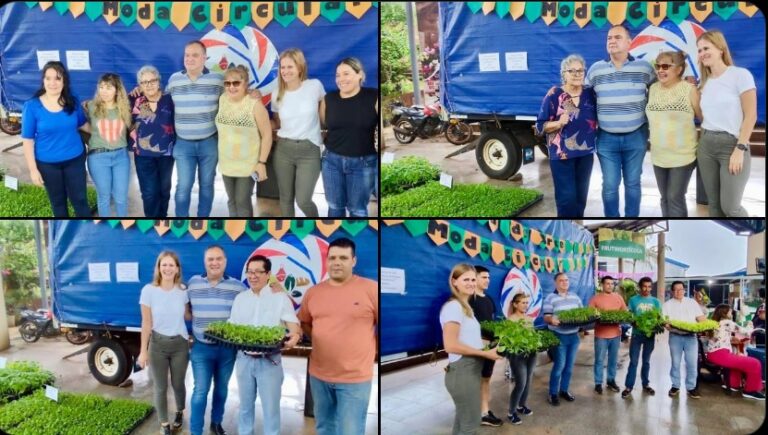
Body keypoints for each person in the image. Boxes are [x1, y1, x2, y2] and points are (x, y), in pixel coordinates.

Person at [297, 238, 378, 435]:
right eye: (332, 257)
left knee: (350, 430)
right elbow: (305, 322)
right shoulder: (313, 292)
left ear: (354, 261)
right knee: (324, 427)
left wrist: (371, 350)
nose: (336, 262)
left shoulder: (371, 289)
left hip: (355, 379)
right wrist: (319, 337)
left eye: (343, 257)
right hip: (319, 376)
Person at [229, 255, 302, 435]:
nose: (253, 276)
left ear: (268, 274)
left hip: (269, 362)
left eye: (258, 272)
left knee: (271, 410)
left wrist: (295, 337)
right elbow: (231, 326)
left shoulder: (280, 298)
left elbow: (294, 327)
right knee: (245, 407)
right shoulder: (240, 298)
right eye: (250, 272)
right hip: (244, 360)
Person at [586, 25, 655, 217]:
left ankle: (630, 225)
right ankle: (613, 224)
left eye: (617, 37)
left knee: (633, 183)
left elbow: (659, 92)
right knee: (609, 185)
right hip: (606, 138)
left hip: (636, 136)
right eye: (609, 38)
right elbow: (583, 99)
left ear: (629, 42)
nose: (611, 41)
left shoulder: (644, 68)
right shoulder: (595, 71)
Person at [696, 30, 758, 217]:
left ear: (720, 49)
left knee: (730, 207)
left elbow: (751, 115)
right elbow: (703, 117)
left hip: (732, 145)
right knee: (713, 206)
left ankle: (752, 233)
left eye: (706, 48)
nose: (702, 53)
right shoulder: (704, 83)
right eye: (699, 50)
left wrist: (740, 148)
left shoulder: (740, 75)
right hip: (706, 144)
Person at [188, 245, 247, 435]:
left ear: (225, 261)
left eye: (218, 259)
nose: (215, 263)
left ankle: (216, 423)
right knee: (200, 391)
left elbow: (252, 303)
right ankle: (196, 431)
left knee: (221, 389)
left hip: (226, 350)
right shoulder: (193, 283)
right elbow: (185, 308)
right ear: (204, 262)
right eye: (210, 259)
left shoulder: (238, 287)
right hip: (201, 349)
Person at [436, 263, 502, 435]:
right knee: (471, 423)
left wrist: (492, 346)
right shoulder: (454, 307)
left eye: (473, 279)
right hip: (462, 372)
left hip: (470, 370)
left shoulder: (466, 308)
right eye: (466, 279)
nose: (471, 283)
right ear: (454, 281)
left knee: (462, 422)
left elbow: (467, 339)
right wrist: (485, 353)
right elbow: (450, 345)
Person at [21, 61, 91, 217]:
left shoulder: (72, 99)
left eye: (57, 78)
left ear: (64, 80)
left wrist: (104, 133)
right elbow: (27, 141)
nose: (52, 83)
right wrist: (33, 170)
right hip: (47, 164)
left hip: (75, 159)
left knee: (80, 200)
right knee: (58, 203)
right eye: (48, 78)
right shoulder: (32, 106)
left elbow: (83, 124)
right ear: (43, 80)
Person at [166, 41, 224, 217]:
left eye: (195, 55)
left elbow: (234, 97)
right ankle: (181, 221)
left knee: (207, 185)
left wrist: (253, 93)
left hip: (209, 143)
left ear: (205, 58)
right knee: (183, 186)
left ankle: (202, 219)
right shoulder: (174, 80)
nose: (189, 59)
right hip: (183, 144)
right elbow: (160, 102)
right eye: (187, 55)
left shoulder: (217, 79)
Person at [535, 54, 596, 217]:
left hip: (585, 154)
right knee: (566, 199)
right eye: (572, 71)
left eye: (580, 70)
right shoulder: (555, 94)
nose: (577, 74)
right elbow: (540, 126)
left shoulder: (590, 93)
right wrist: (558, 123)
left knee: (581, 199)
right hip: (561, 155)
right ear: (564, 74)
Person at [137, 251, 190, 435]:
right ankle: (164, 424)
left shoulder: (183, 291)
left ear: (177, 269)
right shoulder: (148, 291)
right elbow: (146, 323)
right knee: (160, 387)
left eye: (171, 265)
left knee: (178, 384)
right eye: (164, 264)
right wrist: (143, 351)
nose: (167, 268)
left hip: (180, 345)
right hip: (157, 345)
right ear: (159, 268)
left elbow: (188, 315)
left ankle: (179, 412)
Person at [646, 51, 702, 217]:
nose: (660, 70)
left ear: (679, 69)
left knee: (675, 197)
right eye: (658, 66)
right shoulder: (653, 89)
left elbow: (704, 118)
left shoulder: (689, 90)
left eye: (666, 66)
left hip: (683, 156)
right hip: (658, 155)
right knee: (664, 198)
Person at [320, 57, 378, 217]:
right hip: (331, 161)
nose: (341, 79)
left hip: (363, 163)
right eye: (338, 75)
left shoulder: (373, 97)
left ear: (360, 75)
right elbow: (323, 125)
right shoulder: (329, 99)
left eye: (346, 73)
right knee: (334, 207)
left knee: (358, 210)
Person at [272, 48, 325, 217]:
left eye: (290, 67)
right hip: (283, 150)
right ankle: (290, 230)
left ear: (300, 67)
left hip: (309, 150)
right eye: (282, 67)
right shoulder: (276, 94)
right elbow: (277, 122)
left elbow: (325, 114)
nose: (285, 71)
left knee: (303, 200)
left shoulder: (314, 86)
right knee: (285, 198)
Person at [215, 65, 273, 217]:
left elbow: (267, 135)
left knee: (242, 200)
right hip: (226, 162)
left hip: (248, 164)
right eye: (227, 83)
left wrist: (261, 163)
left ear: (246, 84)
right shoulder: (222, 99)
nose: (231, 87)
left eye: (236, 83)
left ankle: (245, 229)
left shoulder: (255, 104)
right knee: (231, 200)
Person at [129, 65, 176, 218]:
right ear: (139, 85)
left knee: (164, 190)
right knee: (149, 192)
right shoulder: (135, 100)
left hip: (166, 154)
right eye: (144, 82)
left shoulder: (169, 99)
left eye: (152, 81)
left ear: (159, 81)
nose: (148, 85)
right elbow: (112, 104)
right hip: (143, 155)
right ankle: (152, 223)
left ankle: (163, 219)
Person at [84, 73, 132, 217]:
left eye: (109, 87)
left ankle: (124, 229)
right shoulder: (91, 106)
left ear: (117, 90)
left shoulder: (124, 108)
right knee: (104, 197)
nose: (104, 91)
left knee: (121, 198)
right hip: (98, 157)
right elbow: (79, 121)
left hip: (121, 157)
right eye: (101, 87)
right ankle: (105, 231)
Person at [467, 265, 502, 427]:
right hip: (476, 348)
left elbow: (491, 322)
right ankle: (472, 412)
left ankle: (485, 411)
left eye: (488, 277)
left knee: (486, 379)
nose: (487, 280)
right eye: (484, 277)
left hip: (490, 347)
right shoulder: (468, 299)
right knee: (473, 380)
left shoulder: (488, 299)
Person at [706, 304, 765, 400]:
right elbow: (745, 332)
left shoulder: (716, 322)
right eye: (730, 311)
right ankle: (750, 391)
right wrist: (750, 325)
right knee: (755, 363)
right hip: (720, 355)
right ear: (725, 313)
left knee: (739, 362)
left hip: (713, 354)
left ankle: (734, 384)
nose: (731, 313)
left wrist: (731, 338)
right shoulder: (727, 322)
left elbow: (721, 337)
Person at [662, 281, 707, 399]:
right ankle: (675, 385)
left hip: (691, 337)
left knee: (692, 363)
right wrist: (666, 325)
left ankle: (691, 387)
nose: (679, 291)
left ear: (684, 290)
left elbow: (701, 318)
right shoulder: (667, 305)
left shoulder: (692, 302)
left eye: (681, 289)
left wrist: (707, 325)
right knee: (675, 363)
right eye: (676, 289)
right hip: (675, 337)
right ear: (672, 291)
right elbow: (665, 322)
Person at [543, 272, 583, 406]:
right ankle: (553, 393)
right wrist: (551, 319)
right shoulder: (550, 298)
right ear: (556, 283)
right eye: (561, 280)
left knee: (569, 367)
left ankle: (564, 390)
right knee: (559, 365)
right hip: (559, 336)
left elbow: (582, 314)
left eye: (566, 280)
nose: (565, 282)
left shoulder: (575, 297)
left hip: (574, 336)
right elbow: (546, 316)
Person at [622, 277, 662, 399]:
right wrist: (633, 322)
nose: (647, 289)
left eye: (649, 286)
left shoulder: (655, 301)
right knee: (633, 361)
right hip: (636, 335)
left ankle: (646, 384)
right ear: (640, 287)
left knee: (646, 361)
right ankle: (629, 386)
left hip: (650, 335)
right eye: (644, 286)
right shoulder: (633, 300)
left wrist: (657, 324)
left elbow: (659, 317)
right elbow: (629, 316)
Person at [588, 275, 628, 394]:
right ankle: (598, 383)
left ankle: (611, 380)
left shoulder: (618, 298)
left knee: (613, 360)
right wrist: (596, 316)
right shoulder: (595, 299)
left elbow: (624, 313)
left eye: (612, 284)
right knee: (599, 360)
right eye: (607, 283)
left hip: (615, 334)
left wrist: (622, 318)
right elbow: (590, 314)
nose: (610, 286)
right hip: (601, 335)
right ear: (602, 285)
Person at [505, 293, 535, 425]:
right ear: (515, 304)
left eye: (527, 302)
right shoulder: (511, 320)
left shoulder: (529, 319)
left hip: (532, 354)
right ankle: (511, 412)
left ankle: (521, 406)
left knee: (528, 382)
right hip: (518, 356)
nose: (525, 305)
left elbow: (533, 336)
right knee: (521, 383)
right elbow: (508, 342)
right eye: (522, 302)